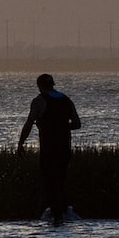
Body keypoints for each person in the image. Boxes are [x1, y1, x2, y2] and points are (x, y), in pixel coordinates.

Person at [16, 73, 81, 220]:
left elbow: (28, 124)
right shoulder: (66, 100)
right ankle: (64, 210)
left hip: (49, 149)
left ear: (39, 86)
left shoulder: (39, 101)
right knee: (61, 180)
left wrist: (20, 143)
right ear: (53, 84)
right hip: (65, 148)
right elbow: (77, 124)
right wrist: (62, 127)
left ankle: (56, 213)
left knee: (49, 181)